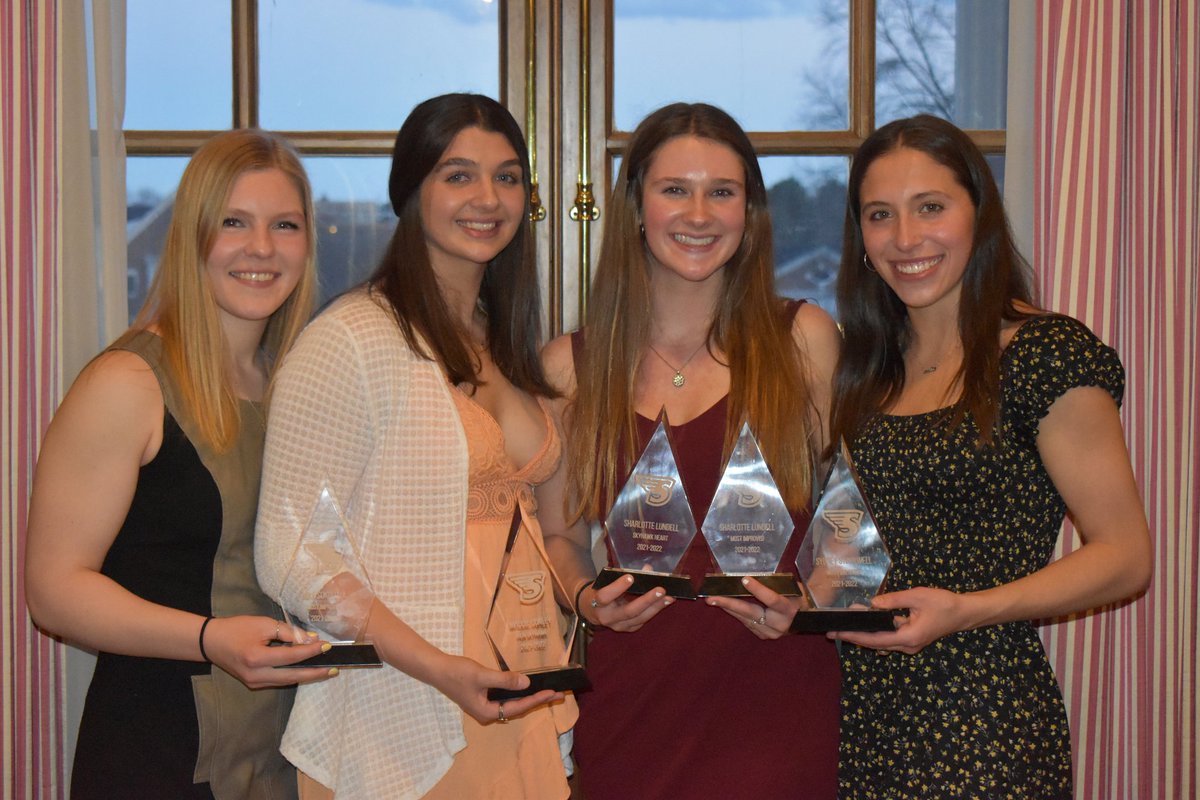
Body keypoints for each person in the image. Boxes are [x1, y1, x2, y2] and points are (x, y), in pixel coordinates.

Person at [254, 93, 577, 800]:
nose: (487, 198)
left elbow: (549, 533)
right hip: (404, 711)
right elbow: (290, 554)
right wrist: (437, 666)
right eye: (457, 175)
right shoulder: (351, 339)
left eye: (508, 176)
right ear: (410, 191)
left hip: (522, 694)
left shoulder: (506, 340)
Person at [826, 114, 1153, 799]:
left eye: (932, 208)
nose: (906, 238)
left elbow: (1126, 557)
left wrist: (967, 609)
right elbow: (854, 546)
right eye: (880, 215)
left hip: (985, 716)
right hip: (864, 715)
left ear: (980, 212)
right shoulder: (865, 371)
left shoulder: (1042, 354)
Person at [539, 102, 843, 799]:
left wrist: (814, 598)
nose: (699, 214)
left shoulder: (804, 342)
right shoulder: (568, 368)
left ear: (750, 212)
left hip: (776, 703)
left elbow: (846, 519)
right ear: (636, 207)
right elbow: (556, 533)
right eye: (675, 189)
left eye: (722, 192)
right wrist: (586, 598)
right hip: (631, 710)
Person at [24, 129, 332, 799]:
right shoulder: (127, 382)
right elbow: (53, 590)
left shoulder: (292, 386)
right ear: (191, 237)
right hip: (159, 753)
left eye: (284, 224)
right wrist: (208, 638)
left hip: (274, 753)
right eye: (234, 223)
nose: (261, 248)